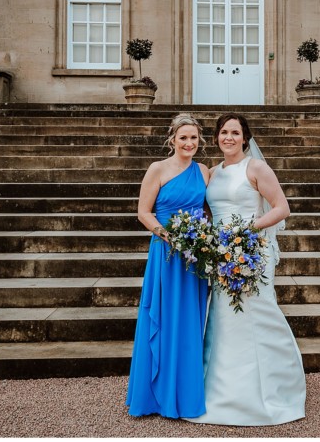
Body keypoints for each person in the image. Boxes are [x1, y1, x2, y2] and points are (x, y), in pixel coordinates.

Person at [185, 113, 306, 426]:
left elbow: (282, 208)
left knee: (258, 314)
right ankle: (222, 392)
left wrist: (246, 231)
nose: (229, 137)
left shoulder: (256, 167)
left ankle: (272, 389)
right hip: (220, 254)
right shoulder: (212, 172)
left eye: (235, 132)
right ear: (216, 138)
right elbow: (209, 211)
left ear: (245, 137)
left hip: (250, 251)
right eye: (224, 132)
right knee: (223, 319)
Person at [125, 113, 211, 418]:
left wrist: (209, 240)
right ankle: (154, 395)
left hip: (194, 258)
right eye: (183, 137)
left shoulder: (204, 171)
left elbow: (208, 210)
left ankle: (185, 392)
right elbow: (143, 212)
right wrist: (168, 236)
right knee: (162, 316)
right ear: (172, 139)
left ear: (200, 140)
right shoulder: (157, 169)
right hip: (166, 254)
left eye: (194, 138)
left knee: (189, 321)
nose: (189, 143)